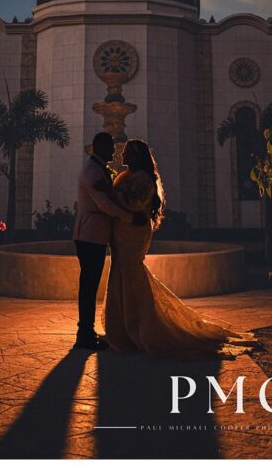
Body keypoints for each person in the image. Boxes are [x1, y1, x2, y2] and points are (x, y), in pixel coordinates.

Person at [102, 138, 258, 358]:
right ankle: (122, 328)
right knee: (121, 271)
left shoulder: (144, 178)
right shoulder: (125, 176)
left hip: (134, 232)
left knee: (131, 272)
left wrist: (110, 194)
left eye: (128, 152)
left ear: (138, 156)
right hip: (122, 232)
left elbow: (135, 204)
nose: (123, 155)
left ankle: (139, 327)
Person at [72, 131, 146, 351]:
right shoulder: (92, 170)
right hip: (89, 235)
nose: (114, 152)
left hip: (94, 234)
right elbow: (104, 204)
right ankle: (84, 333)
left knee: (90, 284)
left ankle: (87, 331)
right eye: (111, 148)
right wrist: (131, 218)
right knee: (88, 285)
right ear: (100, 147)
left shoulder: (97, 168)